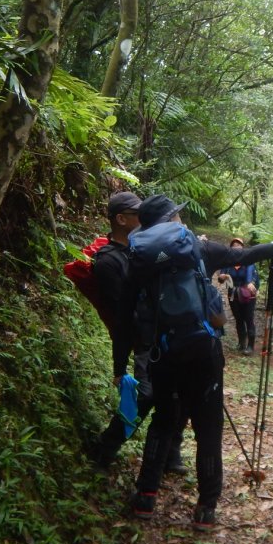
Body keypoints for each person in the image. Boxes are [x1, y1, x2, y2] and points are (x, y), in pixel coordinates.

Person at [125, 194, 273, 529]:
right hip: (203, 351)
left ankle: (146, 497)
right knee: (208, 428)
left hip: (162, 353)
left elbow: (126, 312)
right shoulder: (199, 249)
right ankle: (206, 509)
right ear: (173, 219)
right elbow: (244, 255)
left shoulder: (141, 259)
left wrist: (123, 365)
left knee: (163, 420)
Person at [86, 191, 187, 475]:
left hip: (163, 335)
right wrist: (119, 364)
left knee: (176, 397)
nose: (144, 219)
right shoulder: (109, 261)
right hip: (145, 341)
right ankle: (106, 447)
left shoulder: (140, 249)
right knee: (146, 396)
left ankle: (170, 455)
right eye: (136, 214)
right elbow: (124, 313)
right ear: (121, 219)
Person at [218, 239, 260, 355]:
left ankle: (250, 346)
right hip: (233, 294)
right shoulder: (228, 262)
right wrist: (222, 277)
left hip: (247, 296)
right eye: (234, 246)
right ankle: (242, 343)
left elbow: (255, 279)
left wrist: (252, 283)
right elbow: (221, 279)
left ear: (243, 248)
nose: (236, 247)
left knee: (249, 318)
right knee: (238, 319)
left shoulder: (249, 263)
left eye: (239, 245)